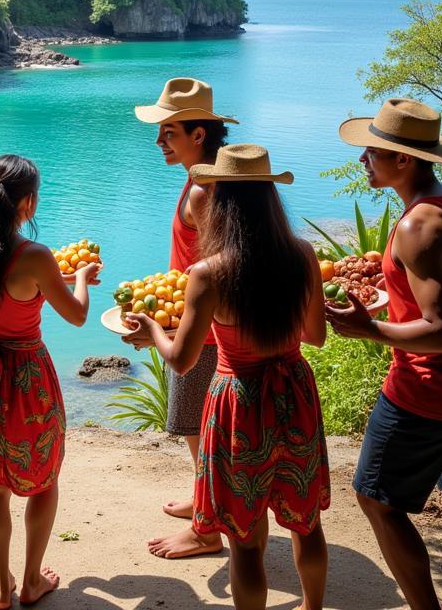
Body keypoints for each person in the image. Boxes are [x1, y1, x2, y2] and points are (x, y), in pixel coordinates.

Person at [123, 144, 330, 610]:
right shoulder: (302, 255)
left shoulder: (209, 273)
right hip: (294, 391)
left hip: (238, 403)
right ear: (271, 198)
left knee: (245, 538)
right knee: (306, 523)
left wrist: (154, 329)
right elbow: (315, 336)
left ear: (219, 202)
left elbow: (180, 359)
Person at [327, 98, 442, 610]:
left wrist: (370, 327)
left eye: (371, 153)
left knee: (376, 499)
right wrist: (404, 287)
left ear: (404, 159)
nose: (363, 161)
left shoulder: (416, 226)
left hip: (429, 391)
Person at [0, 155, 101, 609]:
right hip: (26, 377)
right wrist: (84, 280)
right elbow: (77, 315)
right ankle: (32, 580)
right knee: (43, 478)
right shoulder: (35, 257)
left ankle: (2, 582)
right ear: (28, 203)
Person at [133, 77, 236, 557]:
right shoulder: (202, 178)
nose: (159, 142)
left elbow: (225, 267)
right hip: (192, 319)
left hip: (205, 330)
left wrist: (176, 326)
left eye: (168, 132)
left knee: (200, 427)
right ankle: (204, 501)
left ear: (199, 134)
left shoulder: (204, 190)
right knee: (198, 425)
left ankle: (207, 530)